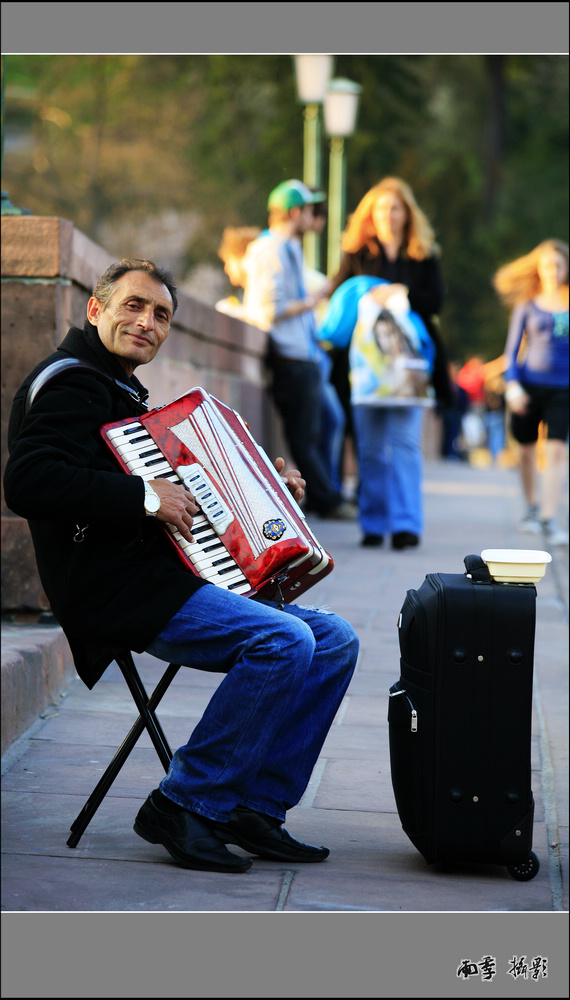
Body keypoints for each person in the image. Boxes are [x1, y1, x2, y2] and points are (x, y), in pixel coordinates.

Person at [4, 258, 360, 874]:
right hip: (114, 590)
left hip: (158, 575)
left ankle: (254, 805)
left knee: (333, 640)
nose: (146, 322)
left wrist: (265, 489)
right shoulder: (71, 383)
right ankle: (186, 803)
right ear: (96, 309)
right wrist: (144, 497)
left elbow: (182, 491)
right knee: (283, 640)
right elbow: (28, 480)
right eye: (134, 306)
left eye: (161, 315)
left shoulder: (118, 388)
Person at [325, 176, 452, 550]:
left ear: (406, 213)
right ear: (369, 214)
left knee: (406, 445)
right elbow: (338, 296)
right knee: (369, 448)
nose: (388, 215)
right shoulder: (357, 253)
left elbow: (435, 302)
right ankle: (374, 523)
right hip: (366, 369)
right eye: (381, 208)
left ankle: (406, 525)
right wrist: (369, 291)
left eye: (395, 208)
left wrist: (404, 293)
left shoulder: (423, 254)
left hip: (409, 367)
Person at [243, 179, 355, 520]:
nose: (312, 216)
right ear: (294, 212)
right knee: (304, 437)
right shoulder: (272, 249)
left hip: (301, 357)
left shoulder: (286, 247)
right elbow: (268, 309)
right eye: (308, 209)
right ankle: (327, 500)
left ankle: (327, 497)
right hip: (290, 358)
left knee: (317, 429)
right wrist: (311, 302)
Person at [493, 239, 569, 546]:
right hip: (527, 387)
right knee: (525, 450)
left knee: (557, 451)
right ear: (539, 269)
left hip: (563, 389)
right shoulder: (527, 304)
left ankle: (549, 519)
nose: (552, 270)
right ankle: (531, 508)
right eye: (547, 265)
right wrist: (512, 386)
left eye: (558, 265)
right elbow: (511, 351)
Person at [215, 225, 261, 319]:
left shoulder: (259, 283)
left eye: (229, 261)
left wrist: (232, 311)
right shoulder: (254, 286)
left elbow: (261, 317)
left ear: (241, 254)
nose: (226, 269)